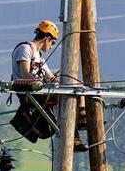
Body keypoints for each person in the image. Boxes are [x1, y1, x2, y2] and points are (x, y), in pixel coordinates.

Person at [9, 20, 88, 151]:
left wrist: (66, 82)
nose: (51, 46)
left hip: (40, 91)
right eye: (52, 43)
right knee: (64, 97)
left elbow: (50, 76)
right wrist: (39, 83)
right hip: (28, 92)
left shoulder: (40, 57)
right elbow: (25, 73)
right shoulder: (25, 49)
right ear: (47, 38)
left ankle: (82, 120)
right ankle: (74, 136)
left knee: (76, 89)